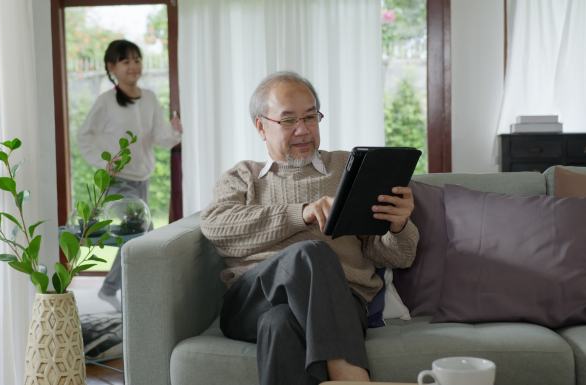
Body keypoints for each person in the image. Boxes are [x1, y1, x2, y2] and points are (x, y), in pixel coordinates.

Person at [200, 71, 419, 384]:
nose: (303, 130)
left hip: (342, 304)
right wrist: (300, 213)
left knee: (279, 324)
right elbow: (216, 225)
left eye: (311, 116)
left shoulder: (347, 168)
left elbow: (399, 257)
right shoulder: (242, 177)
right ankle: (351, 377)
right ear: (261, 126)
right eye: (288, 120)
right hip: (251, 302)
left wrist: (398, 226)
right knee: (308, 254)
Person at [77, 39, 182, 311]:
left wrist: (176, 131)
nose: (133, 66)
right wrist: (103, 163)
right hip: (117, 181)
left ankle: (112, 289)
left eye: (137, 60)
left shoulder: (149, 98)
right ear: (112, 67)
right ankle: (131, 293)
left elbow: (161, 138)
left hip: (142, 179)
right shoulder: (106, 101)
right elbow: (84, 136)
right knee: (141, 234)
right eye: (126, 61)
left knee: (138, 237)